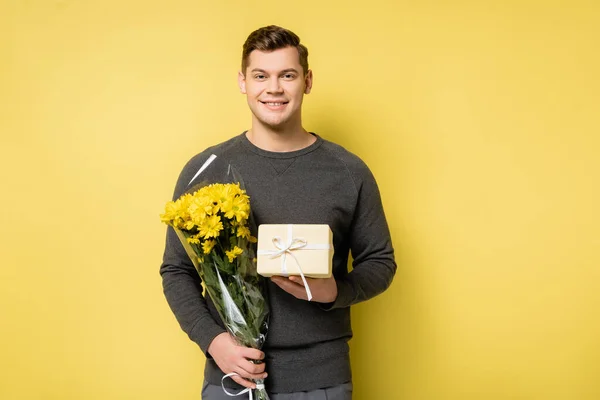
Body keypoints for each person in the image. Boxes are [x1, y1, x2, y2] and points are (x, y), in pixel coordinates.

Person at [160, 25, 396, 399]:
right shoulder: (207, 169)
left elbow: (380, 262)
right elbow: (176, 271)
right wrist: (214, 342)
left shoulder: (348, 171)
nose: (274, 88)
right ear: (243, 82)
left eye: (287, 75)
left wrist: (334, 290)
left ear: (307, 81)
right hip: (231, 377)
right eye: (260, 76)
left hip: (322, 380)